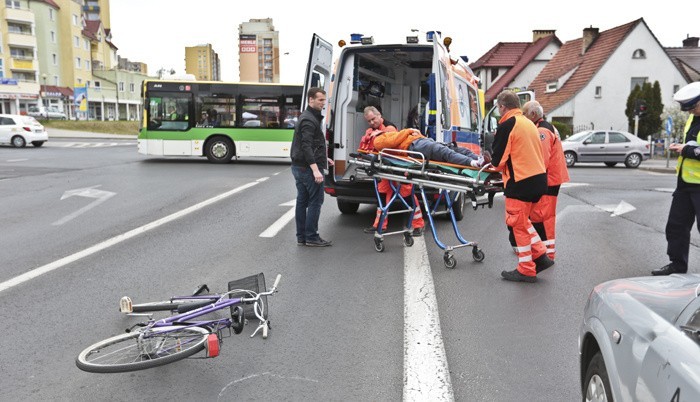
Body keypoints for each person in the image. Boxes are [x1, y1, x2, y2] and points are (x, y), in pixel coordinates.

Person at [490, 90, 552, 283]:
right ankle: (540, 255)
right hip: (538, 179)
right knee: (524, 221)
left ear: (502, 106)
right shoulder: (528, 123)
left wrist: (487, 163)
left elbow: (498, 161)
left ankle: (526, 268)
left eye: (498, 108)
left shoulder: (508, 124)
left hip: (521, 181)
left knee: (517, 223)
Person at [506, 101, 570, 263]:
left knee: (543, 217)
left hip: (549, 179)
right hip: (551, 178)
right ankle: (544, 252)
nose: (522, 117)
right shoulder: (545, 127)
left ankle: (546, 255)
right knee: (542, 216)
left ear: (533, 115)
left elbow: (540, 159)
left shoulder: (541, 131)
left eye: (525, 114)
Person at [652, 81, 700, 275]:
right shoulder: (692, 119)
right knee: (676, 227)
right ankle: (677, 266)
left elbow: (693, 148)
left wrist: (686, 149)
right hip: (685, 184)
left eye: (693, 107)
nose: (690, 112)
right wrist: (682, 145)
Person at [360, 106, 425, 236]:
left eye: (373, 119)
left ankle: (418, 225)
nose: (372, 123)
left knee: (407, 195)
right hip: (385, 168)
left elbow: (389, 145)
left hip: (397, 167)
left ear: (380, 116)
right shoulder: (373, 131)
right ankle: (380, 224)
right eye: (369, 121)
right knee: (382, 195)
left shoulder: (389, 129)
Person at [290, 87, 334, 247]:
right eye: (320, 100)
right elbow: (306, 146)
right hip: (307, 168)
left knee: (302, 201)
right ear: (311, 100)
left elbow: (310, 146)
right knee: (316, 201)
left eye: (324, 100)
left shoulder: (308, 117)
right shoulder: (309, 119)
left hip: (299, 166)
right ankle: (311, 236)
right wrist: (316, 169)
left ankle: (301, 237)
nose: (323, 103)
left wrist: (324, 159)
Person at [372, 128, 484, 167]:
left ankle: (479, 159)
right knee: (445, 152)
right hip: (414, 146)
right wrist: (409, 131)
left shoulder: (389, 133)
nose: (376, 129)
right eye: (373, 130)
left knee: (459, 149)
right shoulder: (377, 140)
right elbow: (393, 141)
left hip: (421, 142)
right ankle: (473, 163)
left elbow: (398, 138)